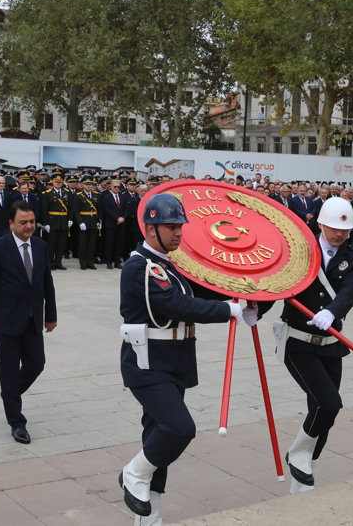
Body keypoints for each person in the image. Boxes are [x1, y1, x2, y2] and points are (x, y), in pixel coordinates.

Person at [118, 193, 243, 523]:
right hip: (148, 364)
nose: (178, 233)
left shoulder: (169, 264)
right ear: (150, 229)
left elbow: (199, 290)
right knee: (179, 428)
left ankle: (149, 518)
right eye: (171, 227)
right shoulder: (140, 266)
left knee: (156, 437)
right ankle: (132, 473)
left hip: (174, 362)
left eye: (180, 226)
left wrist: (244, 295)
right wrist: (227, 310)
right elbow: (178, 305)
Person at [257, 196, 353, 494]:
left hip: (331, 344)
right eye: (333, 228)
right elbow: (278, 284)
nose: (339, 234)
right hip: (298, 342)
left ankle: (304, 481)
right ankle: (297, 454)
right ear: (320, 224)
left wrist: (333, 311)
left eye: (344, 230)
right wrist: (257, 308)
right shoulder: (300, 253)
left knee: (322, 416)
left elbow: (351, 290)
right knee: (329, 404)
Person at [0, 200, 57, 444]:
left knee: (36, 365)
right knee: (9, 372)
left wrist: (51, 315)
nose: (29, 226)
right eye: (23, 222)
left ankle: (9, 394)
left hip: (33, 320)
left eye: (32, 221)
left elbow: (47, 283)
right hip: (5, 323)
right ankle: (17, 422)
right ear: (11, 223)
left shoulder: (41, 246)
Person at [41, 173, 72, 270]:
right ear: (53, 182)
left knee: (61, 244)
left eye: (60, 182)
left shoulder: (67, 193)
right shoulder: (48, 194)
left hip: (63, 222)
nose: (58, 183)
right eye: (56, 182)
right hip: (52, 222)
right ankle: (50, 263)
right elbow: (44, 210)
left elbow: (70, 208)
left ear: (62, 183)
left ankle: (58, 262)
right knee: (51, 244)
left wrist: (70, 219)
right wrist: (45, 223)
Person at [73, 176, 100, 270]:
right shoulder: (79, 195)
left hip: (93, 222)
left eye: (90, 184)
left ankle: (90, 262)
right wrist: (80, 222)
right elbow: (76, 210)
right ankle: (83, 263)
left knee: (91, 244)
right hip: (83, 222)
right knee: (83, 244)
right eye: (86, 184)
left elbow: (99, 210)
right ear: (83, 185)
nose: (88, 186)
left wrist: (99, 221)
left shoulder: (96, 195)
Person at [102, 179, 128, 269]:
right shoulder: (106, 197)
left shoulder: (123, 197)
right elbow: (106, 209)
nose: (117, 188)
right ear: (111, 187)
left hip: (122, 224)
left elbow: (127, 209)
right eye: (115, 187)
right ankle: (109, 261)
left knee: (119, 244)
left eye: (118, 187)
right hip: (111, 223)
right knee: (109, 244)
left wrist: (123, 218)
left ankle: (117, 261)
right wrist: (117, 218)